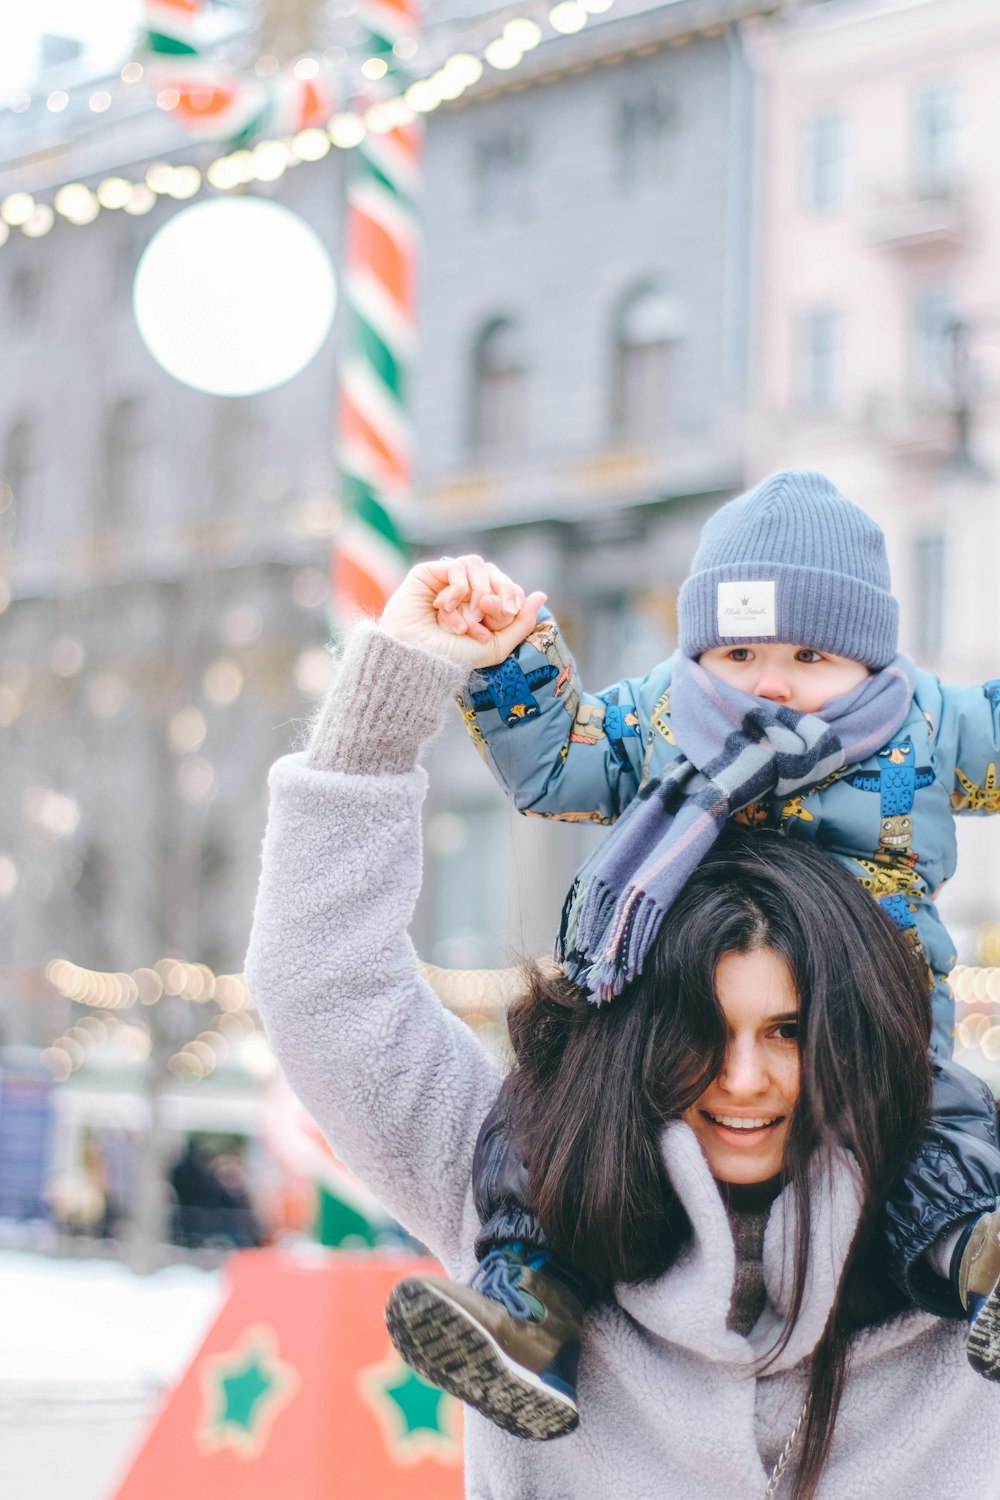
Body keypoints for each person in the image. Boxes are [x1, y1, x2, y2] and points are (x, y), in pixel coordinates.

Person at [244, 598, 999, 1499]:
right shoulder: (520, 1178)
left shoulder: (976, 1206)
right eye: (699, 1033)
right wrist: (392, 697)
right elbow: (326, 988)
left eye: (788, 1032)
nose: (744, 1080)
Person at [381, 470, 1000, 1441]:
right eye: (739, 649)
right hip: (667, 1023)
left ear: (873, 658)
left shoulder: (924, 725)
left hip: (867, 1023)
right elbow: (557, 766)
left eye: (810, 653)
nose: (770, 681)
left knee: (949, 1125)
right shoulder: (664, 719)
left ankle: (978, 1256)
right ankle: (525, 1311)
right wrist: (510, 661)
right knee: (543, 1115)